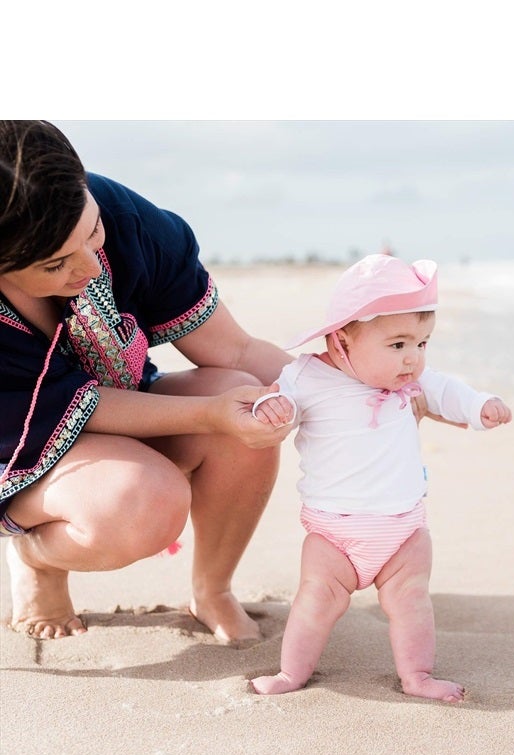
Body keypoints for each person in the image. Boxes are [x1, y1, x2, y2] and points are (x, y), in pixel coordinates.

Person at [0, 120, 297, 642]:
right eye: (55, 264)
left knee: (249, 403)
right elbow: (68, 405)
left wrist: (360, 388)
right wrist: (205, 414)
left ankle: (213, 589)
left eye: (92, 232)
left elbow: (236, 349)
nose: (92, 268)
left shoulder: (122, 216)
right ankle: (36, 553)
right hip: (14, 449)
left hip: (120, 400)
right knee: (139, 505)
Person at [250, 254, 512, 701]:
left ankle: (417, 676)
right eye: (398, 345)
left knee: (412, 601)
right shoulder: (307, 376)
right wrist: (271, 408)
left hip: (404, 530)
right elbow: (282, 403)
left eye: (423, 343)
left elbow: (450, 392)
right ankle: (291, 673)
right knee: (315, 601)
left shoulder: (409, 382)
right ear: (341, 342)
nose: (413, 359)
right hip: (334, 533)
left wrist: (480, 407)